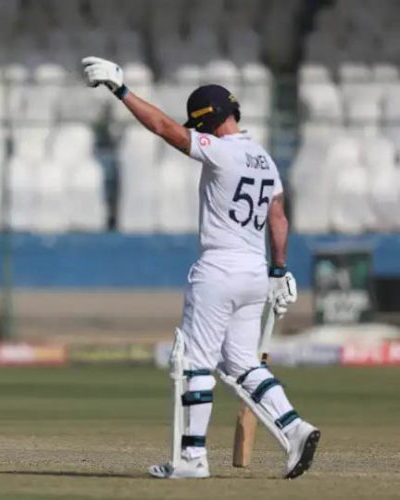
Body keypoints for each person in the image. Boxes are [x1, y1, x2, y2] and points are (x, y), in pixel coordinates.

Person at [82, 57, 319, 479]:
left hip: (219, 270)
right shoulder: (264, 158)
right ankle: (295, 428)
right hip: (254, 271)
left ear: (206, 122)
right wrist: (279, 270)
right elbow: (278, 215)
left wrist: (121, 90)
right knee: (243, 365)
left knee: (194, 362)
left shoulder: (220, 151)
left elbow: (163, 128)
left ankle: (192, 458)